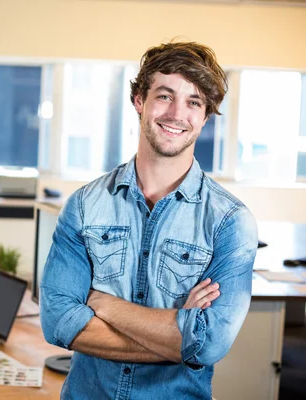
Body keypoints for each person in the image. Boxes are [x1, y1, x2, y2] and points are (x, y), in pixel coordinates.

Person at [40, 42, 258, 399]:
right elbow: (59, 322)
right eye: (164, 95)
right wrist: (178, 338)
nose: (176, 113)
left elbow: (209, 344)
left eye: (194, 102)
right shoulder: (84, 206)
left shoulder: (231, 222)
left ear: (205, 116)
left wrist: (103, 304)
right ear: (139, 100)